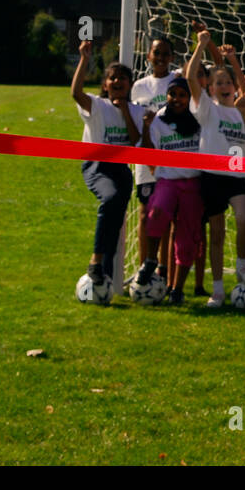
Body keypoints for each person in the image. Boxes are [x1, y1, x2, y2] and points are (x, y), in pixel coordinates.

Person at [186, 29, 245, 308]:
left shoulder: (243, 109)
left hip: (238, 174)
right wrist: (201, 46)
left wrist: (234, 62)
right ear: (211, 89)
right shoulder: (207, 108)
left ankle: (241, 265)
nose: (225, 85)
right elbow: (191, 77)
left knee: (244, 219)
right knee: (216, 234)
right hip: (212, 175)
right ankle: (217, 290)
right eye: (219, 82)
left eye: (228, 81)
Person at [70, 39, 144, 298]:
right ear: (105, 84)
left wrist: (125, 111)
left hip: (121, 171)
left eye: (123, 78)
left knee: (117, 220)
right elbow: (75, 93)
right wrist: (84, 60)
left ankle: (106, 278)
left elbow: (135, 141)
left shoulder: (134, 111)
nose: (117, 81)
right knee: (110, 200)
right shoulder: (96, 106)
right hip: (97, 166)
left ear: (130, 85)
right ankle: (95, 261)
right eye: (112, 78)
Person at [139, 75, 203, 305]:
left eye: (182, 95)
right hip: (167, 180)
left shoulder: (197, 119)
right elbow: (148, 151)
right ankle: (150, 260)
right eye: (172, 94)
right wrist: (146, 128)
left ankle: (177, 289)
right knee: (155, 213)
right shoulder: (159, 120)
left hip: (192, 184)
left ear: (189, 98)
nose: (176, 99)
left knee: (187, 240)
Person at [130, 37, 181, 287]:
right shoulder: (138, 86)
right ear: (148, 55)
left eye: (165, 53)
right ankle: (144, 268)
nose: (160, 57)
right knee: (144, 214)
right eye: (156, 53)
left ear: (172, 57)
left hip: (171, 156)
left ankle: (164, 270)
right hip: (145, 156)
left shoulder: (177, 82)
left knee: (167, 216)